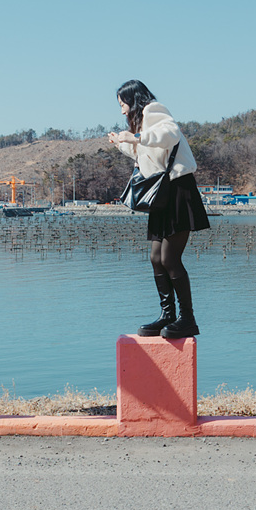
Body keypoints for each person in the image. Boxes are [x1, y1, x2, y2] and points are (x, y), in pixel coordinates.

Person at [109, 80, 209, 338]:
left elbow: (171, 134)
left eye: (122, 104)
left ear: (133, 99)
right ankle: (168, 315)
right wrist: (121, 143)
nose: (122, 110)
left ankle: (187, 319)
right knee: (156, 257)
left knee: (169, 258)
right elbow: (146, 153)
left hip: (178, 189)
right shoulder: (142, 123)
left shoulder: (153, 109)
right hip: (163, 195)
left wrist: (136, 136)